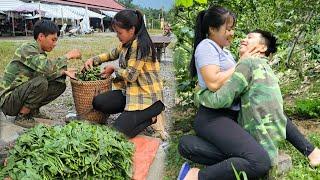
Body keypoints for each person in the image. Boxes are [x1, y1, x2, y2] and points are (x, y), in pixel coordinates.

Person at [177, 6, 320, 180]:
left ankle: (311, 152)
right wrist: (241, 64)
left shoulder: (228, 53)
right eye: (228, 29)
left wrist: (243, 63)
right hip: (214, 117)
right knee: (260, 162)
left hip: (231, 116)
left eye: (233, 28)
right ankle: (195, 175)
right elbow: (214, 83)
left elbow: (244, 88)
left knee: (188, 145)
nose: (233, 33)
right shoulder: (207, 46)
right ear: (213, 29)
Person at [83, 9, 167, 139]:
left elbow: (130, 76)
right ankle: (132, 117)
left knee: (118, 133)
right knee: (99, 102)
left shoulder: (140, 45)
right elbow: (111, 54)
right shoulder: (126, 43)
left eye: (119, 32)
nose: (117, 35)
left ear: (132, 30)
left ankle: (152, 118)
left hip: (148, 99)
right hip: (130, 92)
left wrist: (113, 69)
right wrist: (93, 60)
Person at [0, 19, 81, 128]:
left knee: (59, 84)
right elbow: (46, 67)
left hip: (19, 95)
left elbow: (45, 72)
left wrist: (63, 72)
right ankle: (22, 116)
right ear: (41, 36)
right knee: (41, 82)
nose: (55, 44)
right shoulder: (27, 49)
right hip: (8, 101)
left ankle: (32, 111)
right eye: (53, 39)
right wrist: (67, 56)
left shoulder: (39, 51)